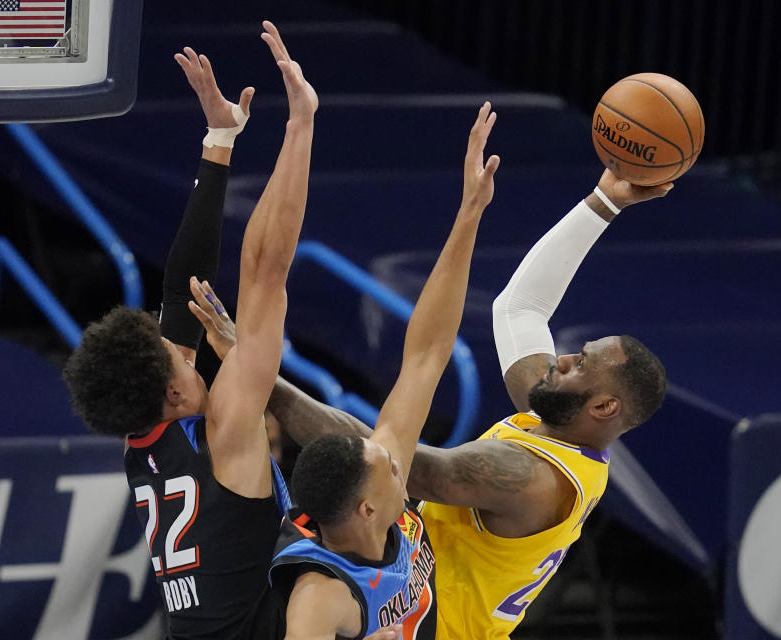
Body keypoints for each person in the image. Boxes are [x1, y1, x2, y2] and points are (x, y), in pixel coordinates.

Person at [192, 169, 671, 639]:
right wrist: (605, 202)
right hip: (406, 603)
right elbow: (520, 307)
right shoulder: (565, 421)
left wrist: (256, 371)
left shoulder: (532, 479)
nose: (563, 358)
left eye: (581, 364)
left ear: (604, 407)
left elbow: (390, 461)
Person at [189, 103, 501, 639]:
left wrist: (470, 213)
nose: (403, 464)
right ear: (366, 507)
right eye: (393, 471)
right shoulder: (322, 595)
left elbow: (427, 355)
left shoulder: (384, 505)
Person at [63, 21, 317, 640]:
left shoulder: (143, 435)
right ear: (175, 393)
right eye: (180, 357)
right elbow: (265, 269)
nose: (185, 347)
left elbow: (182, 290)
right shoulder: (226, 432)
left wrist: (220, 138)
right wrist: (300, 124)